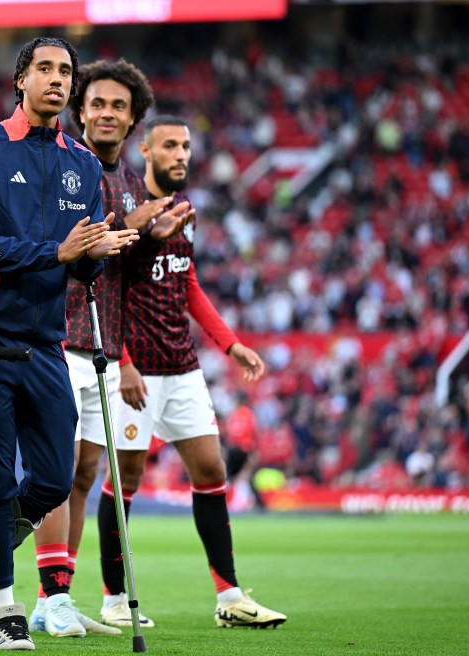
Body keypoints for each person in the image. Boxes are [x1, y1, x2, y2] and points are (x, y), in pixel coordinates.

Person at [0, 37, 139, 651]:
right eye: (44, 69)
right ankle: (3, 607)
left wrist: (95, 257)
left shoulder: (83, 165)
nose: (57, 79)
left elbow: (82, 268)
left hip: (46, 344)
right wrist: (60, 251)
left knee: (52, 481)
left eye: (65, 71)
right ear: (21, 80)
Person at [103, 115, 286, 628]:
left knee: (211, 471)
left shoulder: (185, 212)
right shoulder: (128, 212)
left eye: (185, 145)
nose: (181, 154)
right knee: (127, 479)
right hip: (135, 370)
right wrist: (122, 362)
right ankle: (113, 599)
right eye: (170, 146)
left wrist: (230, 345)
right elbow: (107, 291)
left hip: (182, 366)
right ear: (146, 150)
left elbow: (188, 285)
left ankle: (230, 597)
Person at [25, 58, 187, 637]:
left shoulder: (123, 179)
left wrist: (147, 236)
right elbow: (61, 247)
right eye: (96, 103)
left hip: (104, 344)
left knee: (83, 475)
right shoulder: (65, 164)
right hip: (59, 337)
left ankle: (55, 599)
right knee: (55, 472)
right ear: (80, 110)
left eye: (119, 105)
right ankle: (46, 591)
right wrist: (134, 227)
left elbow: (120, 267)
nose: (107, 113)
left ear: (134, 117)